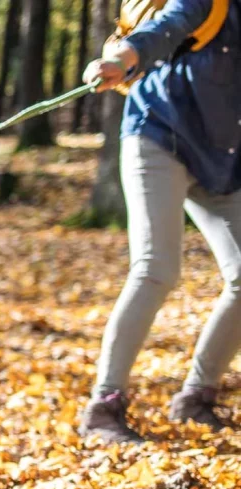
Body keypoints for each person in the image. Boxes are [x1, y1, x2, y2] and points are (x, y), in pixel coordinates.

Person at [79, 0, 241, 443]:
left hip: (221, 162)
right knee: (156, 269)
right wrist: (120, 59)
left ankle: (196, 397)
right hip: (159, 137)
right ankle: (104, 406)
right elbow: (168, 27)